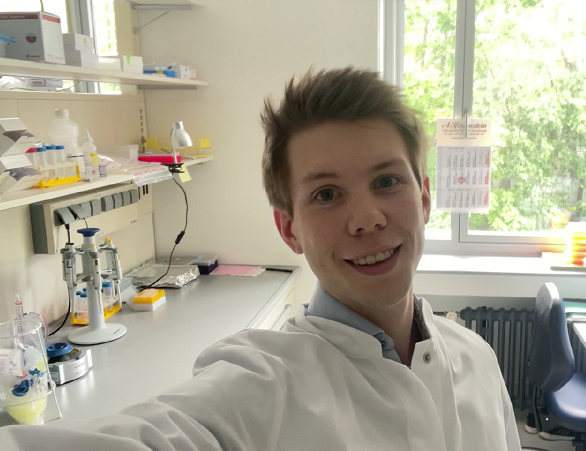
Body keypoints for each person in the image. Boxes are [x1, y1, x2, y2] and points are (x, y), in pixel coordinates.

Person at [0, 67, 521, 450]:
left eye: (387, 182)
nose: (367, 219)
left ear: (424, 197)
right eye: (327, 195)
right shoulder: (258, 388)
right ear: (288, 228)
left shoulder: (477, 359)